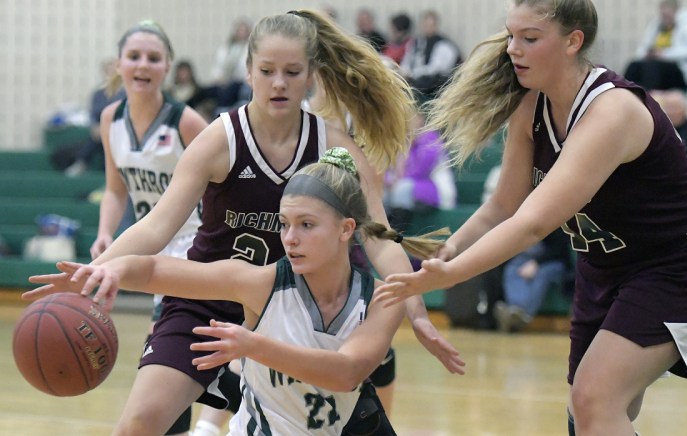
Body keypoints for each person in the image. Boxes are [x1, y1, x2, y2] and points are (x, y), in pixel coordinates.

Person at [23, 10, 464, 436]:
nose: (278, 83)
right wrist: (95, 272)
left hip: (291, 311)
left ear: (311, 75)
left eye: (292, 72)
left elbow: (378, 237)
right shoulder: (220, 138)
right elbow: (157, 226)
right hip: (210, 298)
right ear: (248, 70)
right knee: (137, 425)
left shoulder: (333, 145)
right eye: (267, 70)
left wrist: (418, 312)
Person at [375, 1, 687, 435]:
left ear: (573, 41)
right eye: (511, 36)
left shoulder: (611, 111)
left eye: (530, 38)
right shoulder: (531, 107)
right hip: (606, 267)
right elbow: (502, 206)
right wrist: (450, 248)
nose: (513, 49)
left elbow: (532, 222)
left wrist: (449, 275)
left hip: (679, 263)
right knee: (586, 414)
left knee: (594, 400)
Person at [27, 148, 450, 435]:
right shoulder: (260, 281)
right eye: (284, 224)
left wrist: (253, 345)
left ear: (346, 230)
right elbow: (157, 268)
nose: (291, 238)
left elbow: (345, 372)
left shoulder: (381, 298)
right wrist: (105, 271)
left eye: (306, 225)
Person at [86, 21, 210, 436]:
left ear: (168, 67)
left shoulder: (187, 122)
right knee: (181, 360)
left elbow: (226, 182)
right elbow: (115, 189)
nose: (143, 65)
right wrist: (106, 232)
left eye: (153, 58)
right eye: (134, 56)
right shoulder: (111, 119)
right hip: (152, 244)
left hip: (196, 248)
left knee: (166, 356)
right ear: (118, 64)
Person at [384, 107, 456, 233]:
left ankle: (398, 231)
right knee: (383, 191)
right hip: (412, 189)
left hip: (434, 190)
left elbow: (420, 170)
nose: (408, 123)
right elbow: (390, 171)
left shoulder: (430, 139)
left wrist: (397, 180)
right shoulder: (406, 142)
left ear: (420, 120)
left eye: (412, 119)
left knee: (402, 187)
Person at [494, 227, 570, 333]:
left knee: (542, 274)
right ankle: (515, 310)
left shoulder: (555, 222)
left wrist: (536, 263)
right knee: (512, 268)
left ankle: (523, 313)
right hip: (528, 260)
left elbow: (558, 250)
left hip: (554, 262)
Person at [64, 58, 125, 177]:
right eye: (109, 71)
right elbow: (93, 113)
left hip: (119, 129)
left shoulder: (126, 92)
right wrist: (95, 126)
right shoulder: (98, 94)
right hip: (101, 130)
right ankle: (81, 163)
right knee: (97, 136)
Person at [625, 0, 687, 90]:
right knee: (634, 66)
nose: (665, 18)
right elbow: (643, 47)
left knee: (653, 67)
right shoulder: (657, 24)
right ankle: (626, 95)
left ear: (676, 11)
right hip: (657, 64)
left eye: (668, 15)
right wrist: (647, 54)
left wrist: (664, 54)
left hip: (679, 69)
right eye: (663, 15)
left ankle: (650, 100)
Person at [400, 10, 462, 103]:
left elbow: (436, 69)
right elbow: (408, 60)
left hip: (434, 87)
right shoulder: (416, 42)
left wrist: (414, 73)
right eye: (425, 25)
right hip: (414, 83)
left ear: (436, 25)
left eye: (431, 25)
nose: (428, 28)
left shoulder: (445, 45)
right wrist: (404, 72)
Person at [209, 18, 252, 112]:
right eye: (239, 31)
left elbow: (245, 69)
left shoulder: (250, 48)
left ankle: (223, 112)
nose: (241, 33)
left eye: (244, 31)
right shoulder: (226, 48)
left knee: (235, 89)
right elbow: (218, 67)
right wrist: (220, 79)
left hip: (241, 82)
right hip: (224, 82)